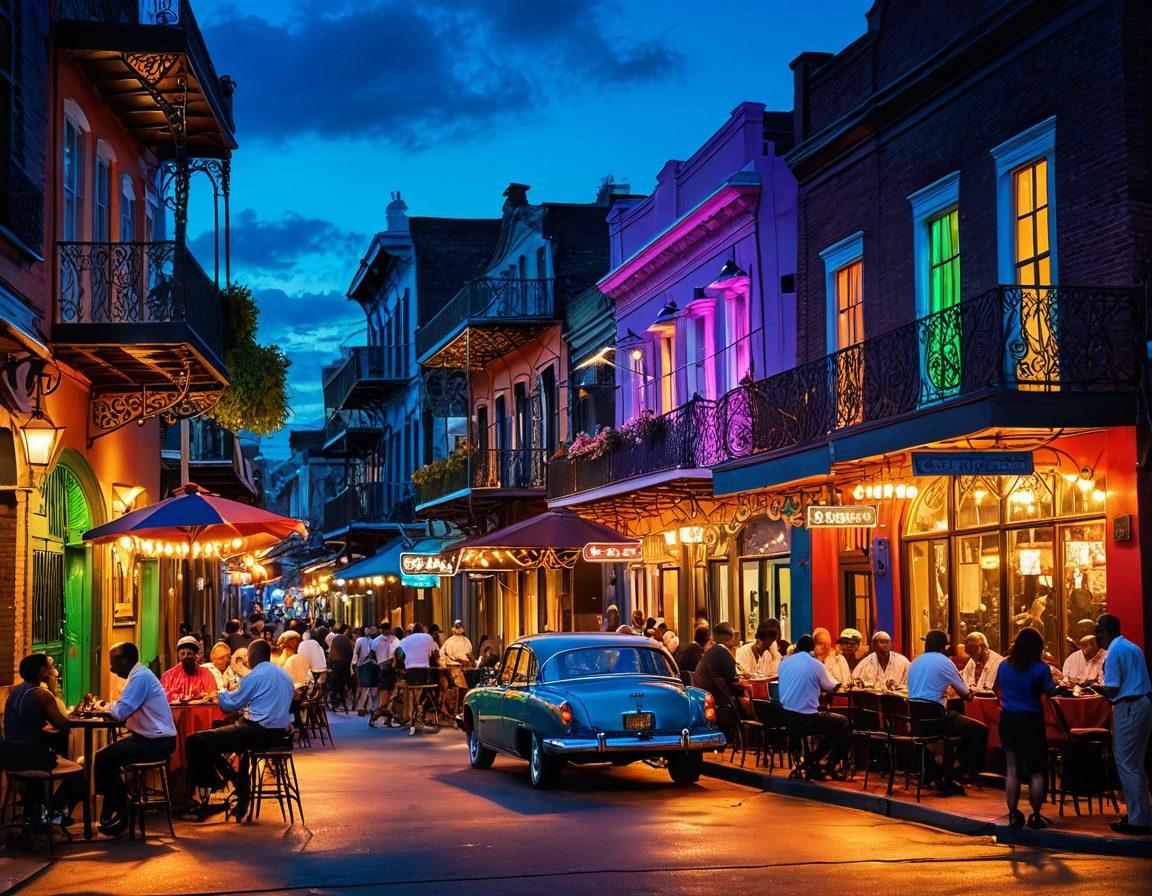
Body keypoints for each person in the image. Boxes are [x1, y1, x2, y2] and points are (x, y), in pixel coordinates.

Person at [184, 639, 294, 820]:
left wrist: (217, 695)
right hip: (279, 733)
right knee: (235, 742)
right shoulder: (284, 675)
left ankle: (221, 781)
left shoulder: (255, 676)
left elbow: (231, 704)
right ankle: (240, 787)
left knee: (196, 740)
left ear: (251, 656)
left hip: (257, 731)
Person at [88, 643, 176, 836]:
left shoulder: (140, 679)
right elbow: (121, 708)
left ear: (125, 660)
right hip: (148, 739)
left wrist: (99, 709)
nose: (111, 668)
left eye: (113, 663)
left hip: (157, 742)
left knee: (104, 757)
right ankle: (118, 803)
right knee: (107, 758)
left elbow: (119, 713)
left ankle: (120, 807)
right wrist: (106, 708)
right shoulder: (138, 676)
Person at [0, 654, 79, 826]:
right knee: (80, 772)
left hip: (10, 757)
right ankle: (56, 812)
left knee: (42, 759)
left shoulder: (14, 693)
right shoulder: (42, 694)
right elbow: (62, 724)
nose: (53, 671)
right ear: (41, 671)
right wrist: (53, 689)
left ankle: (36, 814)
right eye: (49, 668)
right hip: (31, 758)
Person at [907, 629, 987, 793]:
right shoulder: (944, 662)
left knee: (955, 719)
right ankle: (957, 771)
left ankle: (945, 771)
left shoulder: (915, 661)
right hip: (937, 719)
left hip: (916, 719)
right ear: (944, 646)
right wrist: (971, 692)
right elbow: (965, 694)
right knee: (979, 730)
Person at [1094, 613, 1152, 835]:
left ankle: (1138, 819)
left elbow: (1114, 688)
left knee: (1126, 763)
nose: (1098, 637)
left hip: (1127, 706)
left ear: (1106, 631)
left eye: (1099, 632)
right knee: (1136, 763)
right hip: (1143, 703)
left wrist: (1096, 688)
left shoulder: (1114, 651)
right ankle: (1142, 813)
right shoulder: (1132, 647)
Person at [995, 628, 1056, 829]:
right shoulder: (1040, 669)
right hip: (1031, 720)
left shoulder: (1004, 665)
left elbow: (997, 688)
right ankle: (1036, 816)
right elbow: (1051, 691)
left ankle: (1013, 814)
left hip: (1008, 719)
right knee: (1036, 770)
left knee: (1011, 769)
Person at [777, 634, 850, 779]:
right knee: (844, 724)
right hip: (806, 719)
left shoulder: (784, 662)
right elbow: (830, 686)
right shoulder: (815, 664)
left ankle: (811, 761)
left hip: (787, 717)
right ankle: (826, 764)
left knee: (833, 727)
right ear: (812, 649)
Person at [691, 623, 748, 714]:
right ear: (728, 639)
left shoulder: (712, 652)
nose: (738, 642)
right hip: (720, 706)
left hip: (705, 704)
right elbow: (735, 686)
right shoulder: (721, 652)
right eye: (734, 637)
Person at [397, 623, 440, 735]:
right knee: (419, 697)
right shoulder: (427, 637)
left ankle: (411, 720)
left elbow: (399, 654)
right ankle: (418, 720)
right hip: (423, 672)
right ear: (422, 630)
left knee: (410, 696)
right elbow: (436, 653)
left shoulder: (405, 640)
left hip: (410, 672)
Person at [160, 635, 219, 701]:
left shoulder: (206, 674)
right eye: (182, 654)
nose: (185, 656)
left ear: (196, 655)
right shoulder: (168, 676)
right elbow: (162, 697)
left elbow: (213, 695)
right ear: (178, 656)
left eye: (189, 653)